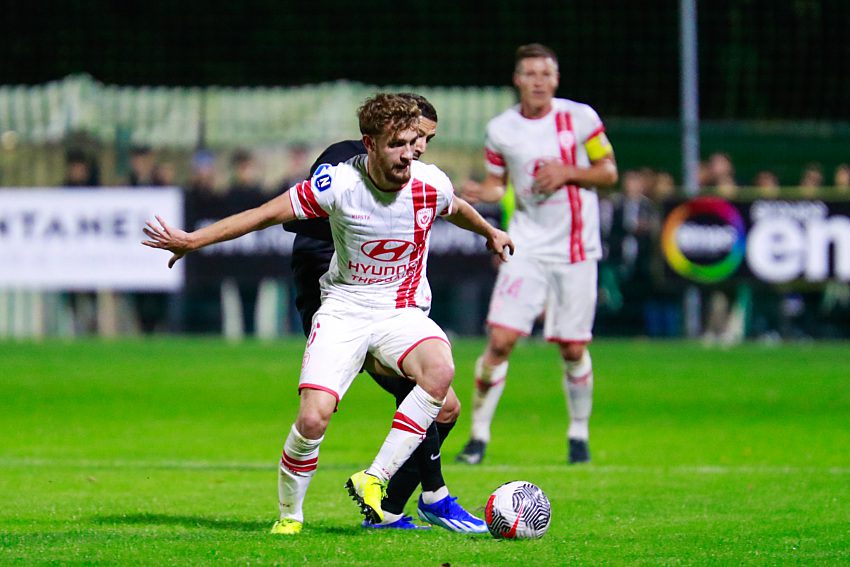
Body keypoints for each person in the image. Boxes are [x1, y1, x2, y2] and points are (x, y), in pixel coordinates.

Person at [142, 93, 514, 535]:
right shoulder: (337, 181)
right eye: (399, 143)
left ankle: (379, 482)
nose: (411, 153)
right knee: (313, 418)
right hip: (343, 310)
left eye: (417, 142)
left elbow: (456, 207)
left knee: (440, 374)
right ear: (370, 144)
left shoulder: (430, 181)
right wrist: (192, 241)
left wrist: (490, 232)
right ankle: (291, 514)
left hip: (399, 310)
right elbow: (264, 215)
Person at [283, 93, 487, 533]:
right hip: (336, 300)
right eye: (416, 137)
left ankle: (397, 503)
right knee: (426, 394)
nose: (420, 149)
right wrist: (363, 220)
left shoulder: (416, 178)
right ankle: (427, 498)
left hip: (391, 306)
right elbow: (296, 220)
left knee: (444, 405)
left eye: (427, 140)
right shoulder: (343, 166)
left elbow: (451, 207)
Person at [456, 43, 618, 465]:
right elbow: (498, 183)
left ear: (556, 79)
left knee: (572, 348)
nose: (539, 81)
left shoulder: (580, 118)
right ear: (517, 80)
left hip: (576, 248)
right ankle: (477, 437)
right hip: (526, 245)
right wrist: (482, 192)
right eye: (530, 74)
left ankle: (578, 435)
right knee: (500, 341)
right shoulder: (501, 129)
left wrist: (568, 172)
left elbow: (608, 173)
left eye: (546, 73)